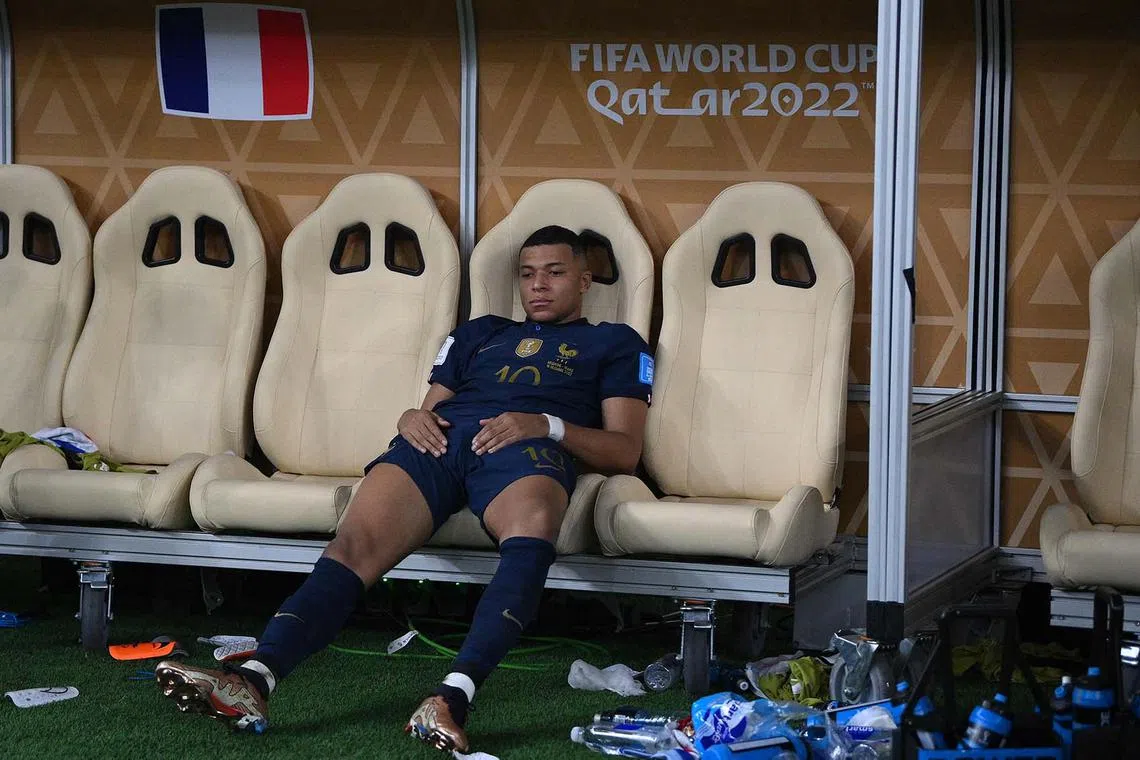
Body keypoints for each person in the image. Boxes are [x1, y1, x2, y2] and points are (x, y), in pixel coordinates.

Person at [154, 224, 654, 753]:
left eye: (554, 273)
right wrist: (411, 415)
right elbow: (431, 405)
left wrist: (546, 425)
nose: (538, 285)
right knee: (352, 547)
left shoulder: (615, 343)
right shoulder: (480, 331)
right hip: (438, 442)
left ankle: (450, 699)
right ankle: (253, 680)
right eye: (528, 275)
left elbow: (624, 449)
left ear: (584, 279)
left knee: (530, 535)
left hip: (525, 445)